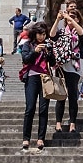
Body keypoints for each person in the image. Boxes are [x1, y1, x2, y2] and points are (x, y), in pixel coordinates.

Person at [19, 21, 56, 153]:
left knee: (43, 109)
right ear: (34, 34)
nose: (42, 37)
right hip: (32, 78)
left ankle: (41, 137)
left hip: (45, 78)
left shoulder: (47, 45)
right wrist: (35, 51)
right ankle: (26, 137)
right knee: (30, 108)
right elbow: (25, 59)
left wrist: (49, 52)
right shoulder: (28, 45)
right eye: (40, 34)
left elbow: (52, 63)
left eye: (44, 34)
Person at [52, 0, 83, 135]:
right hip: (61, 65)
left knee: (72, 94)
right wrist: (58, 20)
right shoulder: (62, 31)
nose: (71, 18)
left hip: (75, 65)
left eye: (74, 16)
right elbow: (52, 35)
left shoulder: (78, 33)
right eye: (70, 15)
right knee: (60, 95)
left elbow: (81, 32)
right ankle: (58, 123)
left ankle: (72, 123)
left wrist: (69, 18)